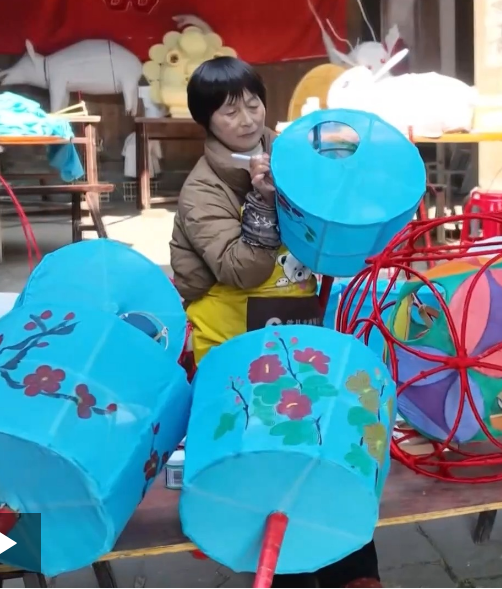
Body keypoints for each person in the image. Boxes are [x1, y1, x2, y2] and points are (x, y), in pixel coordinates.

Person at [168, 56, 382, 589]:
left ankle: (356, 574)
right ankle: (287, 573)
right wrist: (265, 204)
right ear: (205, 120)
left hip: (295, 332)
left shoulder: (292, 154)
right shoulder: (202, 191)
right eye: (228, 111)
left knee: (328, 446)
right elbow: (240, 270)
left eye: (253, 104)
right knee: (272, 465)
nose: (245, 119)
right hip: (235, 343)